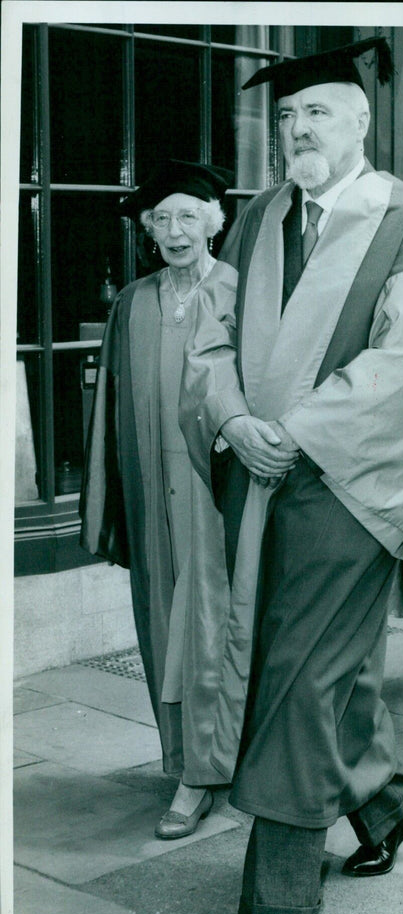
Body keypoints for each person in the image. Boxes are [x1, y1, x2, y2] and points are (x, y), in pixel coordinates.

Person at [179, 37, 403, 914]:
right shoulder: (260, 214)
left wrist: (289, 433)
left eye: (319, 113)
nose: (298, 129)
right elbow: (211, 338)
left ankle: (278, 895)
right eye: (288, 116)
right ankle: (390, 807)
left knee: (296, 676)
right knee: (300, 658)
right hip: (258, 475)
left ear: (361, 121)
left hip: (354, 485)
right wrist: (231, 421)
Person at [80, 160, 236, 835]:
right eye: (162, 219)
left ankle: (209, 770)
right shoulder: (133, 302)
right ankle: (183, 759)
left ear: (214, 223)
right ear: (148, 230)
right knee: (162, 624)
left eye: (189, 216)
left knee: (211, 626)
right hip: (150, 489)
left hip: (215, 489)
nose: (175, 230)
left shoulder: (239, 291)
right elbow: (110, 413)